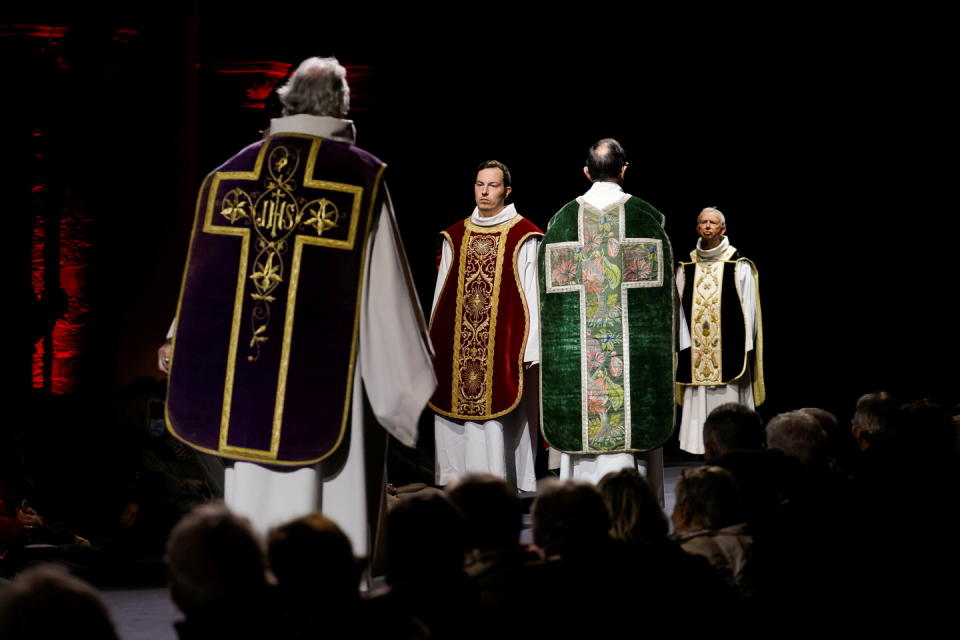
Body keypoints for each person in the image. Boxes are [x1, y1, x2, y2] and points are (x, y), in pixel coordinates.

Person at [163, 57, 436, 558]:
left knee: (255, 512)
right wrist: (402, 382)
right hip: (327, 377)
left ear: (286, 101)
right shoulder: (360, 176)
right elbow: (384, 294)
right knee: (329, 521)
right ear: (342, 105)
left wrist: (179, 335)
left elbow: (207, 272)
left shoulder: (230, 172)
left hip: (245, 381)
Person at [539, 139, 674, 500]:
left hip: (580, 372)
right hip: (633, 372)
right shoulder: (649, 218)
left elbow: (547, 312)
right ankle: (638, 515)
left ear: (586, 172)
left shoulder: (560, 222)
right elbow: (666, 304)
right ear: (624, 170)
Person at [429, 161, 542, 492]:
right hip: (458, 345)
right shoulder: (456, 235)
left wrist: (531, 346)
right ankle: (458, 481)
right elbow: (441, 295)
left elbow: (531, 293)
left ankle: (498, 483)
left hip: (504, 345)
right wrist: (432, 342)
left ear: (506, 191)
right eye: (479, 184)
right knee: (454, 414)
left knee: (499, 416)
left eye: (492, 186)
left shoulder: (524, 235)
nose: (484, 191)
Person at [676, 207, 765, 455]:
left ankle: (733, 445)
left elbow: (749, 310)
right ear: (697, 227)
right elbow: (678, 312)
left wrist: (746, 346)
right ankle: (698, 447)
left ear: (722, 228)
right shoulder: (686, 266)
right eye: (702, 222)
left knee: (729, 395)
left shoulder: (738, 264)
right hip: (695, 351)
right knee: (699, 393)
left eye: (712, 223)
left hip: (729, 348)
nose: (707, 226)